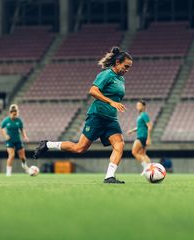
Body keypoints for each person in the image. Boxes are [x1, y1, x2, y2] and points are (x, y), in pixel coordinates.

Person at [33, 46, 133, 184]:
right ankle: (47, 144)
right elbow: (93, 91)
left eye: (129, 68)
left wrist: (114, 104)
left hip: (111, 119)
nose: (127, 70)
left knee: (120, 145)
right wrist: (111, 102)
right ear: (117, 63)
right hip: (97, 116)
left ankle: (109, 177)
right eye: (125, 66)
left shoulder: (121, 79)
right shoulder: (106, 74)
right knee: (79, 148)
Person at [0, 104, 30, 176]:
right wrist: (5, 136)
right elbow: (1, 128)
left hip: (17, 140)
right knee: (11, 155)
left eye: (16, 113)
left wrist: (25, 136)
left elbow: (22, 129)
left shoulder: (19, 121)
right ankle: (8, 172)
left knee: (22, 156)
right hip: (10, 140)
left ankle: (24, 165)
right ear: (10, 113)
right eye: (13, 114)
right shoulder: (6, 120)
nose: (15, 115)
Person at [126, 100, 152, 175]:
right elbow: (140, 127)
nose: (138, 107)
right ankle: (150, 168)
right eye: (137, 105)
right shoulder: (140, 115)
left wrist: (148, 138)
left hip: (142, 136)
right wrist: (132, 130)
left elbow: (149, 126)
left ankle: (146, 167)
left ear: (144, 106)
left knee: (134, 152)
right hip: (142, 135)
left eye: (139, 105)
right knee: (142, 154)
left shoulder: (144, 115)